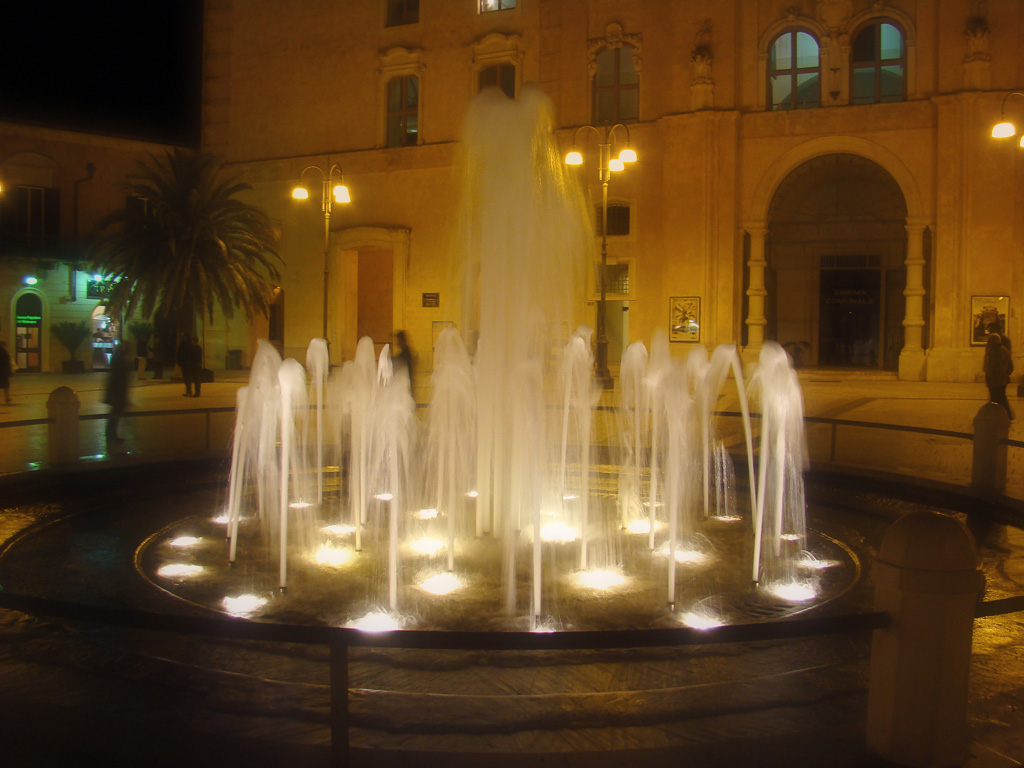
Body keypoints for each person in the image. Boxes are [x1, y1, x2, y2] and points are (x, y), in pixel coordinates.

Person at [105, 341, 133, 443]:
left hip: (116, 392)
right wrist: (123, 395)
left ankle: (110, 434)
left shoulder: (118, 359)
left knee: (115, 413)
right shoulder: (121, 361)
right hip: (118, 393)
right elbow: (120, 380)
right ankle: (111, 435)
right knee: (115, 414)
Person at [984, 332, 1014, 420]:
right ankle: (1003, 415)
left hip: (995, 381)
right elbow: (1011, 366)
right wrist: (1006, 374)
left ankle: (1004, 415)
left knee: (997, 399)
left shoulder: (995, 352)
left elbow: (992, 367)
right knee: (1000, 398)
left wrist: (993, 376)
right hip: (1001, 380)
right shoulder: (1004, 350)